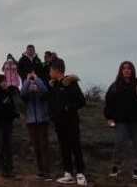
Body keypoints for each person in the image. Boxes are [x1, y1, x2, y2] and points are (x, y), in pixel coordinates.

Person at [48, 58, 87, 186]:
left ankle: (81, 173)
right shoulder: (54, 85)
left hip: (71, 121)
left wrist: (68, 107)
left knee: (75, 146)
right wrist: (52, 115)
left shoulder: (71, 82)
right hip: (59, 123)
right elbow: (52, 103)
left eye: (50, 69)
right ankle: (68, 173)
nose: (49, 72)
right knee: (64, 147)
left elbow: (81, 101)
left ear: (56, 70)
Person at [104, 61, 137, 181]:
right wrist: (109, 118)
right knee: (119, 143)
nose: (127, 70)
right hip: (121, 121)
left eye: (129, 68)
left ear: (132, 70)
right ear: (121, 71)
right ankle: (115, 168)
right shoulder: (115, 85)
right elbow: (109, 103)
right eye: (124, 68)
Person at [21, 70, 51, 179]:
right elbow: (22, 93)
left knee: (44, 146)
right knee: (36, 147)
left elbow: (45, 90)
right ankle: (40, 171)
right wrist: (27, 80)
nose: (33, 85)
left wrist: (37, 79)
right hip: (31, 122)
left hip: (43, 121)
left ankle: (47, 171)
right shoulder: (27, 93)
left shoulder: (41, 89)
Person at [0, 74, 20, 178]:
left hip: (8, 123)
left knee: (8, 146)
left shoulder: (8, 93)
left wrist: (14, 114)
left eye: (5, 81)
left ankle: (10, 168)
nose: (5, 83)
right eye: (2, 81)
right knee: (2, 146)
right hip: (0, 124)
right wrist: (10, 114)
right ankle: (4, 169)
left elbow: (11, 107)